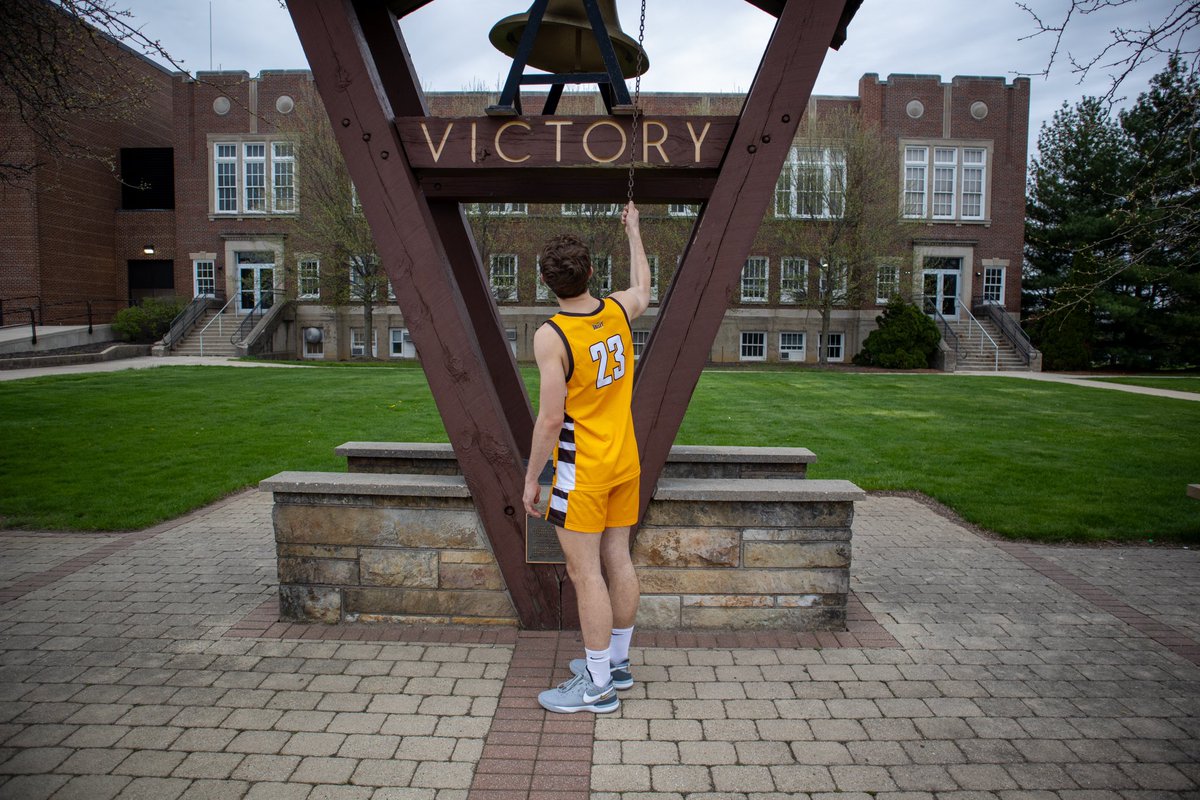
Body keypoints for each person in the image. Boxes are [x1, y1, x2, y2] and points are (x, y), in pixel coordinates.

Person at [523, 201, 651, 714]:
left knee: (585, 573)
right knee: (617, 556)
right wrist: (634, 231)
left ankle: (597, 684)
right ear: (592, 272)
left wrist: (531, 478)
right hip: (625, 461)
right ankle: (616, 664)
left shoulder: (551, 335)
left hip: (584, 469)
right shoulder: (617, 310)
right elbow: (643, 288)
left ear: (547, 282)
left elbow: (551, 420)